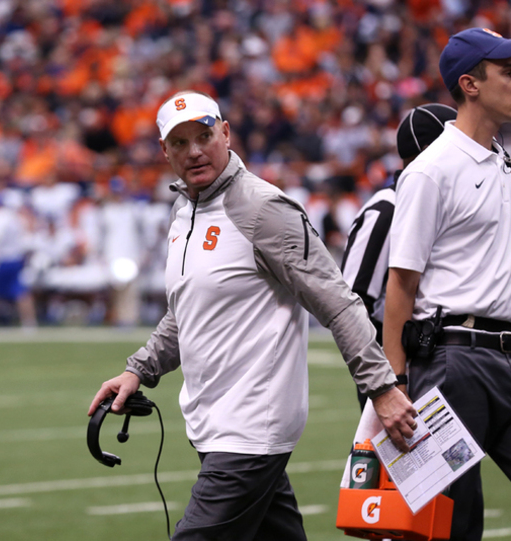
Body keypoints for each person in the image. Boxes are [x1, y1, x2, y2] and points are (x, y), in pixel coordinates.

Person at [89, 91, 417, 541]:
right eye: (180, 143)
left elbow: (337, 301)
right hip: (215, 425)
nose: (195, 151)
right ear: (165, 152)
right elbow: (187, 309)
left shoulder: (264, 209)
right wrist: (138, 370)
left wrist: (381, 387)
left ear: (225, 133)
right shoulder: (185, 208)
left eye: (204, 136)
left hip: (250, 430)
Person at [383, 27, 511, 541]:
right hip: (453, 363)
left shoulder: (503, 163)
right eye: (508, 72)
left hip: (501, 353)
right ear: (471, 84)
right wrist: (391, 382)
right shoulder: (431, 170)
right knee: (450, 525)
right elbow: (401, 282)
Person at [341, 103, 457, 410]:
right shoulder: (387, 209)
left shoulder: (441, 205)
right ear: (432, 149)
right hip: (394, 363)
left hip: (434, 354)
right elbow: (353, 301)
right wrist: (384, 376)